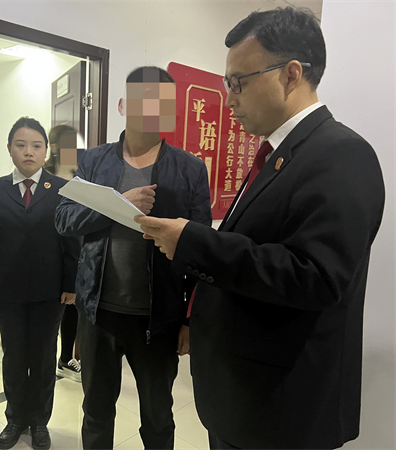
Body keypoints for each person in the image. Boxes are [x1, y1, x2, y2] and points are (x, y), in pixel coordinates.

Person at [136, 7, 385, 450]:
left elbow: (316, 276)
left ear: (291, 74)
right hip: (244, 398)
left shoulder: (341, 154)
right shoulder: (279, 154)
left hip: (282, 410)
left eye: (238, 82)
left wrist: (193, 242)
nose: (229, 99)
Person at [55, 66, 212, 449]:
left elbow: (201, 250)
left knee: (158, 418)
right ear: (124, 104)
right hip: (98, 313)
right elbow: (63, 219)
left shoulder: (189, 169)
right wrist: (117, 206)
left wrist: (190, 320)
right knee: (96, 413)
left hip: (159, 318)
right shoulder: (95, 161)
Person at [0, 117, 80, 450]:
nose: (28, 152)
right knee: (14, 357)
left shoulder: (62, 189)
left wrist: (71, 284)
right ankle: (15, 418)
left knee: (44, 357)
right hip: (8, 290)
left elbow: (70, 241)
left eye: (36, 145)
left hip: (50, 292)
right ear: (9, 149)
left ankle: (39, 421)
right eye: (20, 145)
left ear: (46, 151)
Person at [45, 124, 82, 382]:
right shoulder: (43, 173)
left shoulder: (82, 174)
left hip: (76, 248)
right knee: (50, 307)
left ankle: (66, 357)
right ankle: (43, 358)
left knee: (72, 305)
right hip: (49, 249)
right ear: (55, 146)